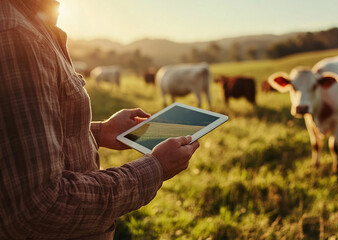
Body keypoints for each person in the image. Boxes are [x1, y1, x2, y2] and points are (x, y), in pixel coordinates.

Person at [0, 0, 200, 239]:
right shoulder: (19, 36)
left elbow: (16, 139)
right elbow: (41, 207)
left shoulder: (30, 24)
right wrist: (154, 168)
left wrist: (100, 132)